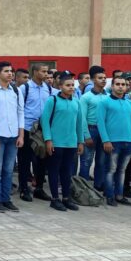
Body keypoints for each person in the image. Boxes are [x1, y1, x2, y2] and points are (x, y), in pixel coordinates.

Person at [0, 61, 24, 213]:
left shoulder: (16, 91)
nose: (10, 73)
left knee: (8, 170)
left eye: (11, 71)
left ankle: (6, 199)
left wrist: (21, 135)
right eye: (6, 71)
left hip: (13, 136)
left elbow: (21, 113)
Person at [41, 72, 84, 212]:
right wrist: (48, 139)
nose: (71, 87)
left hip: (71, 143)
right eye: (67, 85)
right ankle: (55, 199)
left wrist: (80, 141)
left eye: (72, 85)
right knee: (54, 171)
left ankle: (66, 198)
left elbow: (79, 124)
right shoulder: (52, 100)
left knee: (67, 171)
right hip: (56, 143)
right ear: (60, 86)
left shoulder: (76, 102)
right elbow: (45, 121)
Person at [97, 75, 131, 207]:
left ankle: (119, 195)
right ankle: (109, 196)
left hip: (128, 141)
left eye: (123, 84)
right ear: (112, 86)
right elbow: (100, 122)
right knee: (110, 169)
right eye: (118, 84)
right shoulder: (104, 102)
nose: (121, 87)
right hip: (112, 142)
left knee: (122, 170)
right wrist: (106, 140)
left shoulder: (129, 103)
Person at [17, 63, 54, 202]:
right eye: (43, 71)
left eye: (47, 71)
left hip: (42, 129)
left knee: (42, 159)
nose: (46, 74)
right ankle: (24, 189)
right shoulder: (24, 88)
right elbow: (19, 108)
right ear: (35, 72)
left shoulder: (48, 88)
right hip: (27, 128)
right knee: (25, 160)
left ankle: (39, 188)